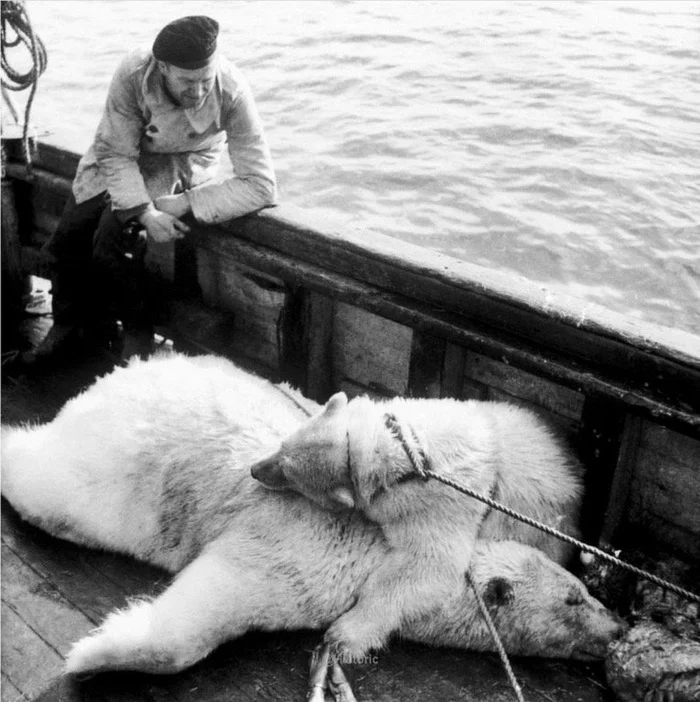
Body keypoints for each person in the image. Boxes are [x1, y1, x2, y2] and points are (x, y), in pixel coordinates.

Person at [28, 15, 276, 364]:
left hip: (184, 158)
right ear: (161, 67)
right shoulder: (133, 73)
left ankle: (137, 339)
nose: (200, 90)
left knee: (114, 238)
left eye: (205, 80)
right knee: (70, 234)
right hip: (122, 153)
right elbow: (116, 151)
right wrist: (145, 211)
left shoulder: (232, 90)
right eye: (187, 81)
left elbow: (261, 185)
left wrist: (185, 203)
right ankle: (69, 330)